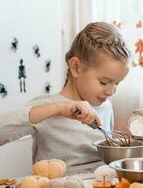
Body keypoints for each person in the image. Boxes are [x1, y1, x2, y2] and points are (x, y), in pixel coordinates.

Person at [0, 22, 131, 174]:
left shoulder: (106, 106)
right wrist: (59, 109)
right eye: (104, 82)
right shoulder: (46, 107)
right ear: (76, 67)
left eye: (117, 83)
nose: (111, 91)